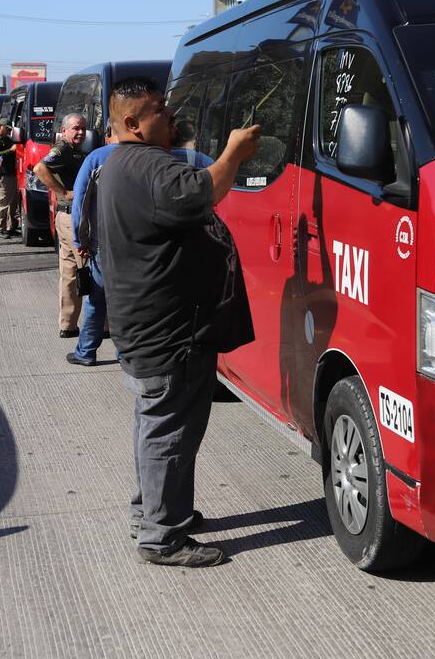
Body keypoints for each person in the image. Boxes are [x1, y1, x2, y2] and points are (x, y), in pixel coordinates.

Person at [98, 76, 259, 568]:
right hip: (168, 332)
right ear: (132, 123)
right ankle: (162, 536)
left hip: (146, 326)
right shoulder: (148, 166)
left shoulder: (120, 164)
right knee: (171, 431)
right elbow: (205, 192)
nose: (169, 118)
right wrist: (233, 152)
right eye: (158, 111)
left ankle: (156, 511)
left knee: (157, 426)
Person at [68, 126, 213, 367]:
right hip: (142, 243)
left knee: (97, 301)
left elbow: (80, 203)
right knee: (131, 301)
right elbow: (207, 169)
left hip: (104, 244)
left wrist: (79, 239)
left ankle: (86, 352)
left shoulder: (97, 158)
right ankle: (126, 354)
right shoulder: (157, 155)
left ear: (109, 133)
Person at [33, 113, 87, 338]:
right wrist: (63, 192)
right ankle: (102, 326)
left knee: (69, 272)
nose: (80, 132)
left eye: (83, 128)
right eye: (75, 128)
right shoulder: (62, 149)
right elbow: (39, 168)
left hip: (65, 218)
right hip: (71, 218)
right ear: (64, 131)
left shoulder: (72, 150)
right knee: (89, 268)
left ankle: (68, 324)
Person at [0, 118, 21, 239]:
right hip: (2, 174)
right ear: (0, 126)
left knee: (12, 203)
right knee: (3, 203)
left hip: (11, 173)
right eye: (6, 129)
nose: (8, 132)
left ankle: (11, 227)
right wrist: (10, 151)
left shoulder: (5, 138)